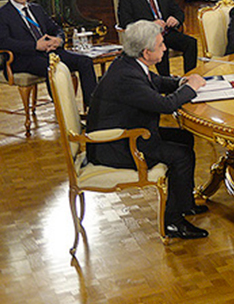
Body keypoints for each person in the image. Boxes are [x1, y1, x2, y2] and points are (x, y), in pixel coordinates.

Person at [86, 20, 209, 239]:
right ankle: (172, 222)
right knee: (182, 155)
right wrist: (191, 88)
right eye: (161, 45)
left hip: (131, 132)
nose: (165, 48)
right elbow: (165, 105)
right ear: (146, 52)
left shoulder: (128, 63)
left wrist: (182, 82)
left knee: (184, 138)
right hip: (116, 145)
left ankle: (184, 203)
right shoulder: (127, 77)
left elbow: (157, 82)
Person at [0, 0, 97, 105]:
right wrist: (35, 46)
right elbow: (3, 42)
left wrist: (58, 40)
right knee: (53, 68)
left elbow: (57, 29)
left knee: (85, 62)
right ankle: (63, 112)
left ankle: (93, 110)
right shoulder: (3, 14)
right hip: (22, 58)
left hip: (50, 52)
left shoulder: (36, 9)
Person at [117, 0, 198, 76]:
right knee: (159, 47)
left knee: (191, 43)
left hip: (166, 32)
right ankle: (166, 83)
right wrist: (150, 24)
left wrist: (176, 19)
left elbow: (179, 12)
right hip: (146, 36)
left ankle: (189, 78)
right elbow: (125, 22)